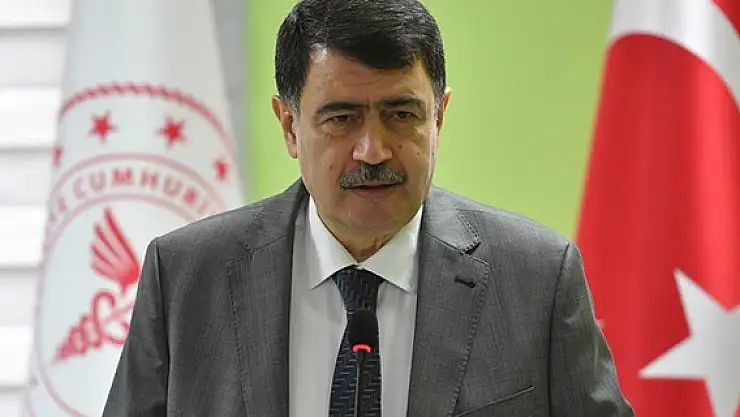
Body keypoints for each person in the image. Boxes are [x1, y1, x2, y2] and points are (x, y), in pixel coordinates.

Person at [102, 0, 635, 416]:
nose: (373, 151)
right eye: (341, 119)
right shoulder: (187, 277)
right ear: (289, 126)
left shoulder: (536, 279)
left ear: (439, 117)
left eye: (401, 115)